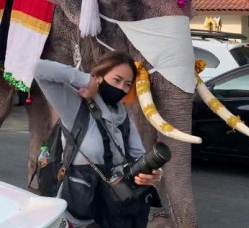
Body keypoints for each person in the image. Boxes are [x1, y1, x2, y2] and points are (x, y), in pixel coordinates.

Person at [34, 51, 162, 228]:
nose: (121, 88)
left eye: (127, 84)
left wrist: (150, 173)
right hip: (79, 213)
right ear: (99, 77)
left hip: (114, 212)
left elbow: (138, 156)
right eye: (116, 80)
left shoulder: (123, 117)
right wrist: (85, 81)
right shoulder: (75, 106)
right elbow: (39, 69)